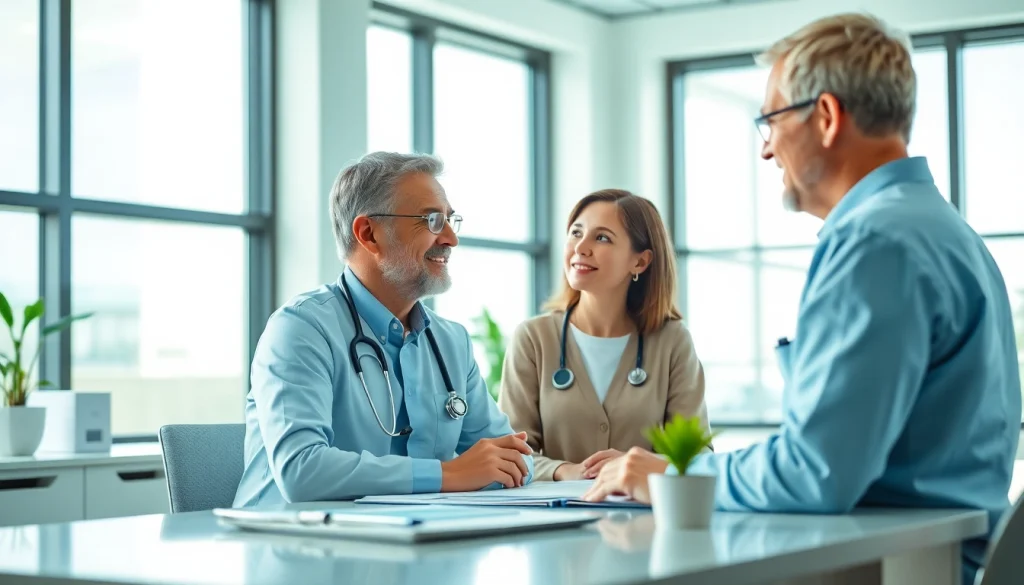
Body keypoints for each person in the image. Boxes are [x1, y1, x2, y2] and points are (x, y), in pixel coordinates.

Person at [582, 13, 1021, 584]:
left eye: (771, 120)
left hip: (895, 568)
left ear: (826, 117)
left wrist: (673, 478)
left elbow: (817, 470)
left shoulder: (875, 241)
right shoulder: (944, 230)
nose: (767, 150)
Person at [234, 152, 534, 506]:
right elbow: (302, 471)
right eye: (432, 220)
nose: (451, 238)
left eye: (450, 220)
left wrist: (496, 468)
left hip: (413, 532)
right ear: (369, 234)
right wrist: (448, 474)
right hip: (293, 535)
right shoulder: (300, 329)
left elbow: (516, 458)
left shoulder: (450, 341)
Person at [498, 189, 711, 481]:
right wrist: (564, 470)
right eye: (576, 233)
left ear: (640, 262)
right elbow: (512, 453)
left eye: (602, 238)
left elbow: (697, 456)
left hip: (642, 508)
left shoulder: (672, 341)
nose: (580, 247)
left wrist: (639, 465)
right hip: (558, 509)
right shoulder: (534, 339)